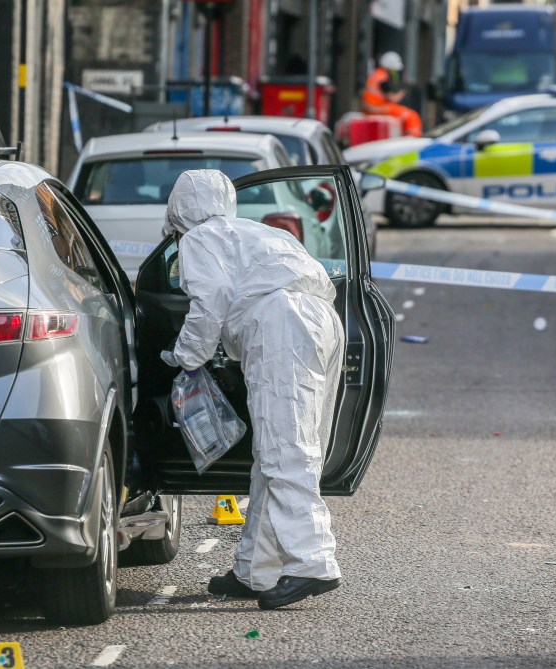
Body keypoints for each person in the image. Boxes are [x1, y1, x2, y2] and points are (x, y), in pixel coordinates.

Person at [159, 169, 344, 610]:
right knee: (278, 453)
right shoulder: (258, 232)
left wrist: (184, 357)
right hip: (321, 321)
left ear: (180, 207)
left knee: (285, 449)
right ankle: (253, 570)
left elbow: (210, 303)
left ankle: (313, 561)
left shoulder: (199, 239)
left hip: (281, 325)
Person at [361, 51, 423, 137]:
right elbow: (393, 99)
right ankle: (414, 138)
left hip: (369, 108)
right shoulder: (383, 79)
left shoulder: (376, 74)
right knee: (411, 116)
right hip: (377, 108)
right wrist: (404, 90)